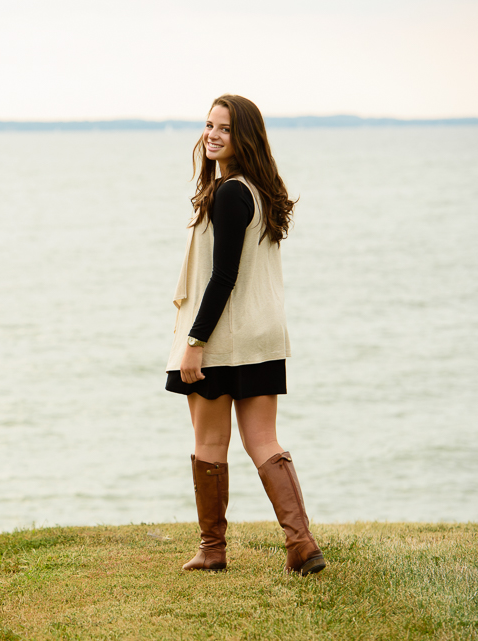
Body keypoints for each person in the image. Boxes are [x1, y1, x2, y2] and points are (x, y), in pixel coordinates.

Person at [165, 95, 325, 576]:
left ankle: (213, 551)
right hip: (260, 335)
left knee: (209, 445)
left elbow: (223, 276)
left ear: (245, 136)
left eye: (225, 128)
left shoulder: (230, 192)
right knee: (264, 441)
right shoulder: (259, 191)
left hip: (222, 338)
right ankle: (302, 545)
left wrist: (195, 342)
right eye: (209, 125)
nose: (212, 135)